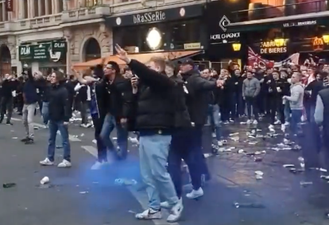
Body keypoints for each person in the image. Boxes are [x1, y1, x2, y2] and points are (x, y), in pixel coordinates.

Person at [115, 44, 182, 222]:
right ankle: (154, 208)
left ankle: (175, 203)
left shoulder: (165, 83)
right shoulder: (146, 88)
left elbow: (149, 75)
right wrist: (135, 91)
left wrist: (129, 61)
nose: (145, 72)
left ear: (158, 69)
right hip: (145, 131)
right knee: (147, 174)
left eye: (150, 67)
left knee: (159, 172)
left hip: (159, 131)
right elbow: (136, 108)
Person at [39, 71, 72, 168]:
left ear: (58, 78)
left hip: (61, 118)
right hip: (53, 117)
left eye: (53, 76)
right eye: (51, 76)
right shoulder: (51, 89)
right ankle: (50, 158)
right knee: (51, 139)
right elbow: (48, 101)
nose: (51, 78)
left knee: (64, 140)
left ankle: (67, 159)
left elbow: (67, 105)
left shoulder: (63, 90)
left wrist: (66, 118)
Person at [283, 72, 304, 137]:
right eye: (292, 76)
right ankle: (296, 135)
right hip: (296, 108)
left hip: (296, 108)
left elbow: (295, 99)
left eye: (293, 77)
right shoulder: (296, 86)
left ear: (298, 79)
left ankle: (297, 137)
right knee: (295, 123)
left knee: (295, 124)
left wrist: (286, 97)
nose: (291, 78)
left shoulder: (297, 88)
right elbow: (289, 80)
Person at [22, 69, 38, 144]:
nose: (24, 76)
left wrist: (28, 69)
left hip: (31, 103)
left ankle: (31, 137)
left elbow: (30, 76)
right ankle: (27, 135)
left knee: (29, 120)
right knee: (24, 120)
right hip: (25, 103)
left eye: (25, 74)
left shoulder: (32, 81)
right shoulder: (25, 83)